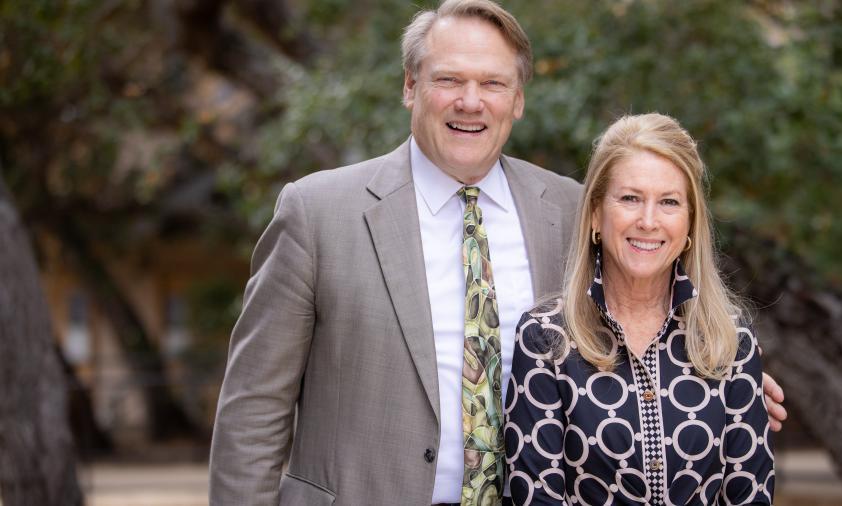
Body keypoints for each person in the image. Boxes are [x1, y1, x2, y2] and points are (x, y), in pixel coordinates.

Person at [209, 2, 785, 505]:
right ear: (410, 86)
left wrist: (720, 384)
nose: (470, 102)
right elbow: (253, 410)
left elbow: (648, 311)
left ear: (518, 101)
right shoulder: (318, 213)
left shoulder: (570, 210)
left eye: (492, 84)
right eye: (448, 79)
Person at [505, 113, 774, 505]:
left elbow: (749, 496)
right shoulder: (546, 339)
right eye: (630, 198)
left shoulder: (730, 341)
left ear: (689, 224)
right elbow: (535, 497)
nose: (648, 221)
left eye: (668, 202)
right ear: (596, 214)